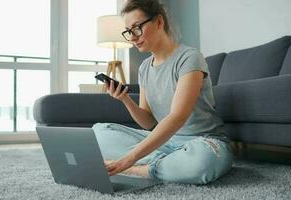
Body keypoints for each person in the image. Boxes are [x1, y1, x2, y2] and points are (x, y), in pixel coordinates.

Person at [92, 0, 233, 184]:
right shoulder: (144, 68)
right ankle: (167, 165)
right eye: (128, 31)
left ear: (159, 22)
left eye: (137, 28)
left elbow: (177, 117)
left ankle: (140, 170)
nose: (133, 37)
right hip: (165, 142)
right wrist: (125, 99)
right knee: (99, 132)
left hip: (202, 142)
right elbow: (148, 122)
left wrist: (130, 160)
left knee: (202, 163)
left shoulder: (190, 58)